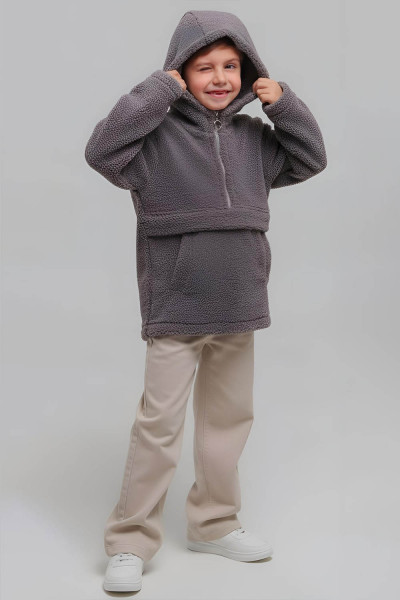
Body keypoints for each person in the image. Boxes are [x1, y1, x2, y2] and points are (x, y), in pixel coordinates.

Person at [85, 9, 327, 593]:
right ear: (180, 72)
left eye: (231, 66)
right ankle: (130, 539)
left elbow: (310, 159)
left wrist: (285, 104)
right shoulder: (152, 141)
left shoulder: (254, 140)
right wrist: (157, 90)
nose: (219, 78)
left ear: (248, 71)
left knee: (228, 421)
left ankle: (214, 523)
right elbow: (101, 150)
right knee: (159, 426)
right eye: (203, 67)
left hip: (240, 301)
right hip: (176, 304)